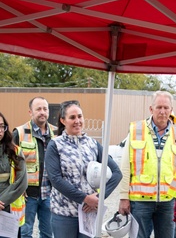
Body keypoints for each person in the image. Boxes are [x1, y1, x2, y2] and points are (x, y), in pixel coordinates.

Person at [44, 100, 122, 238]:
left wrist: (98, 198)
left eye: (80, 116)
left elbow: (117, 173)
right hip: (64, 215)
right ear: (63, 120)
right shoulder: (55, 145)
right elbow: (55, 179)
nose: (77, 121)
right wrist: (84, 198)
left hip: (88, 213)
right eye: (72, 117)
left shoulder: (92, 144)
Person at [118, 91, 176, 238]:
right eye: (159, 107)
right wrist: (124, 197)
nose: (162, 111)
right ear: (151, 109)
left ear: (171, 110)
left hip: (169, 202)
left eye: (166, 107)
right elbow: (125, 166)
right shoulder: (136, 130)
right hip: (140, 201)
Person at [13, 96, 57, 238]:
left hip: (50, 194)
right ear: (30, 112)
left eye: (45, 109)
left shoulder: (56, 133)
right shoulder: (19, 133)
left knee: (48, 234)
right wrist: (17, 188)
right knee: (25, 233)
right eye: (38, 109)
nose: (42, 112)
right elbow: (11, 164)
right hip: (27, 195)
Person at [0, 112, 27, 238]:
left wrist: (2, 201)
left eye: (2, 126)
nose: (0, 130)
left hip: (9, 212)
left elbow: (21, 182)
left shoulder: (15, 151)